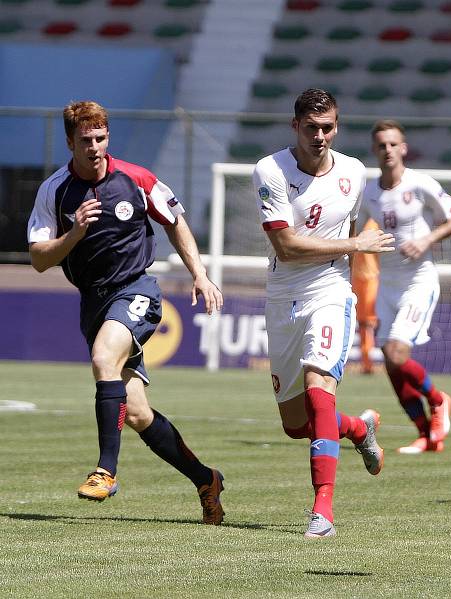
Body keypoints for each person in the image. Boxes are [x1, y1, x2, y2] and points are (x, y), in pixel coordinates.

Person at [27, 100, 226, 524]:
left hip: (137, 290)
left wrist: (201, 274)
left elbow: (175, 221)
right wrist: (74, 233)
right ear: (70, 142)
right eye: (86, 140)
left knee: (104, 358)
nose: (95, 147)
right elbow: (40, 259)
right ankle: (206, 478)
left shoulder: (136, 179)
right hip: (93, 302)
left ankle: (106, 471)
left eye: (101, 138)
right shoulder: (55, 191)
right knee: (135, 412)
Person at [252, 89, 395, 538]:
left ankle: (323, 512)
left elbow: (348, 226)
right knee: (296, 425)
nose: (320, 136)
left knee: (320, 387)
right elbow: (287, 246)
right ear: (295, 125)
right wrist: (355, 246)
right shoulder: (269, 170)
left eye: (328, 127)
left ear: (337, 125)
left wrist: (347, 269)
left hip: (331, 292)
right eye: (311, 127)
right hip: (283, 296)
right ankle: (358, 429)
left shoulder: (354, 171)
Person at [361, 120, 451, 454]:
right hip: (387, 284)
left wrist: (426, 240)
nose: (388, 150)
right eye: (382, 145)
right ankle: (425, 434)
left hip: (419, 281)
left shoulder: (420, 184)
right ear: (375, 150)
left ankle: (439, 400)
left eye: (393, 144)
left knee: (396, 353)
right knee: (390, 363)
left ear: (403, 148)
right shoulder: (368, 193)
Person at [351, 218, 381, 374]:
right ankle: (366, 363)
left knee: (370, 322)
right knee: (362, 322)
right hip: (356, 278)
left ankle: (374, 359)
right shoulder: (353, 219)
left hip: (371, 278)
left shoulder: (374, 222)